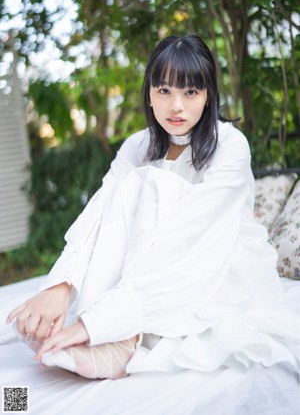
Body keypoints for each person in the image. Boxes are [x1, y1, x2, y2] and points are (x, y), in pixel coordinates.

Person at [6, 35, 300, 380]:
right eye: (164, 91)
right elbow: (99, 213)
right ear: (149, 94)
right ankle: (115, 326)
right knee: (124, 189)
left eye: (190, 92)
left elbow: (189, 236)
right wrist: (60, 285)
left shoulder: (230, 145)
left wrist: (97, 323)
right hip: (144, 276)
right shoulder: (137, 145)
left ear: (208, 96)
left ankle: (123, 336)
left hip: (216, 265)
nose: (176, 105)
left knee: (151, 185)